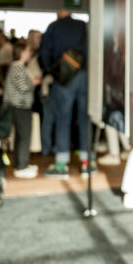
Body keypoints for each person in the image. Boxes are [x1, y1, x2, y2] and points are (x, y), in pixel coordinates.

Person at [39, 9, 90, 178]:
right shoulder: (83, 26)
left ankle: (61, 165)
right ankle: (86, 162)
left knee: (63, 118)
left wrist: (50, 70)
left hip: (64, 79)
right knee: (84, 118)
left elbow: (44, 53)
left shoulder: (54, 27)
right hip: (84, 76)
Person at [5, 40, 41, 178]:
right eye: (27, 51)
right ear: (21, 53)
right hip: (20, 106)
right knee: (24, 136)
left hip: (18, 106)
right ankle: (21, 167)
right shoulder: (18, 67)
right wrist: (34, 82)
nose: (29, 53)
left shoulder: (16, 67)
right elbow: (23, 87)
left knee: (21, 136)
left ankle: (21, 164)